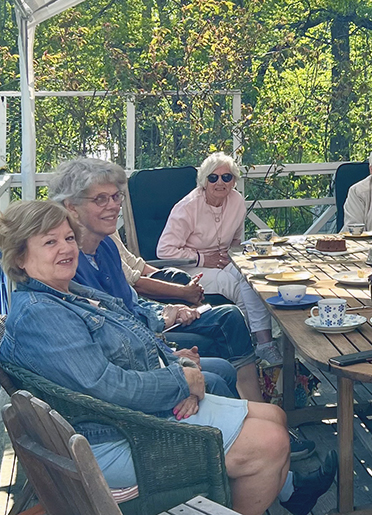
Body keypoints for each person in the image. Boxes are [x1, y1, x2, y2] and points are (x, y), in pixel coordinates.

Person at [0, 201, 335, 515]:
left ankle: (271, 495)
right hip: (116, 438)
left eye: (69, 238)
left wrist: (182, 367)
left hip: (131, 417)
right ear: (19, 258)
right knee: (270, 444)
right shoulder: (41, 316)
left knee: (275, 416)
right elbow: (108, 387)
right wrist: (181, 381)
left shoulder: (68, 294)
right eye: (49, 242)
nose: (67, 248)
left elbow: (132, 339)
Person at [48, 158, 262, 401]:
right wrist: (167, 353)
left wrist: (168, 310)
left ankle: (255, 404)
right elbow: (107, 341)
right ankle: (244, 420)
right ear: (72, 207)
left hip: (142, 327)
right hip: (130, 358)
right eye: (100, 199)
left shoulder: (106, 244)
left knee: (230, 317)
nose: (114, 206)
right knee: (218, 372)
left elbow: (130, 301)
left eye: (116, 197)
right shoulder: (65, 264)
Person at [156, 153, 280, 364]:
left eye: (227, 177)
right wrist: (203, 258)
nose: (220, 182)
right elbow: (164, 250)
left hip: (223, 261)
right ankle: (248, 345)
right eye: (213, 178)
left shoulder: (237, 201)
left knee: (253, 277)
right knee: (230, 283)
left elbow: (235, 241)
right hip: (189, 267)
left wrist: (231, 258)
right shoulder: (187, 207)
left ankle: (265, 342)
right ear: (204, 181)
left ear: (234, 180)